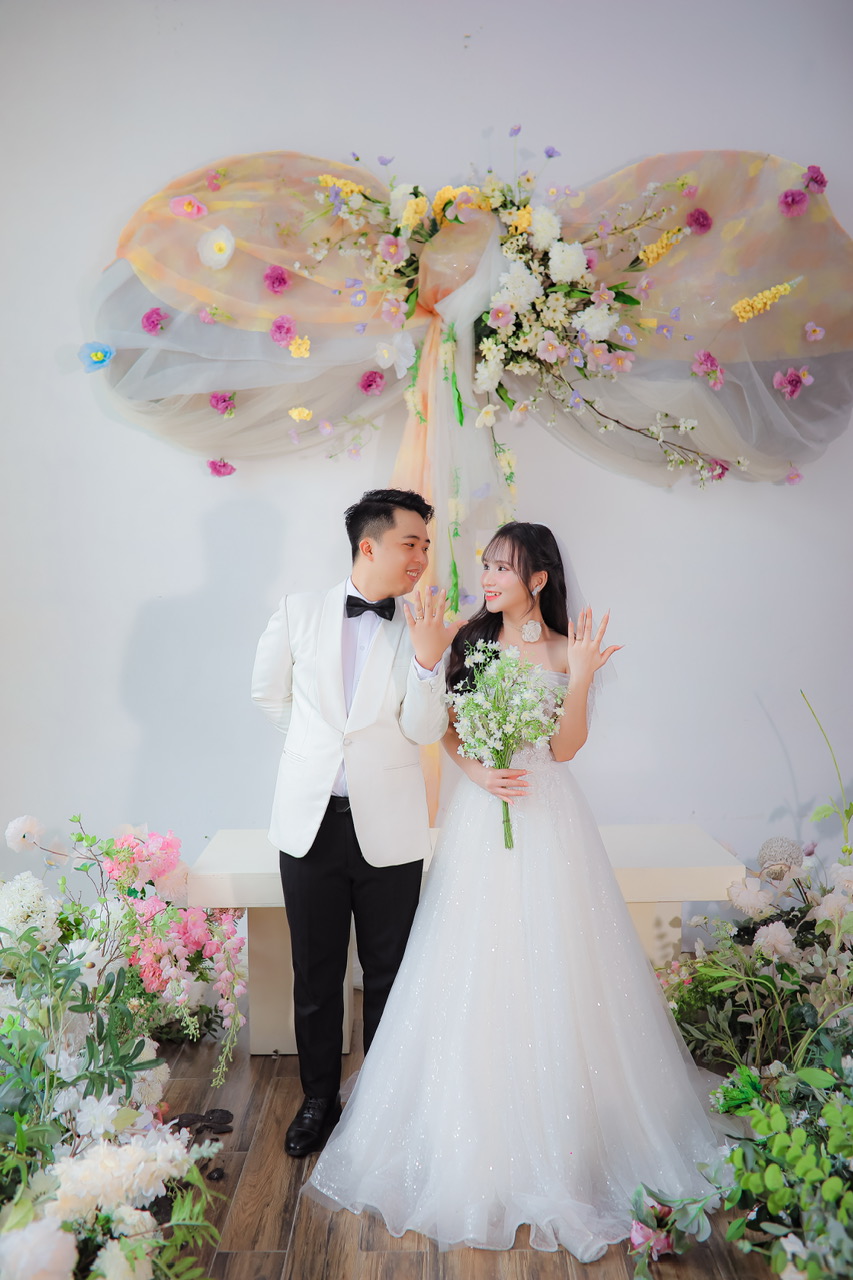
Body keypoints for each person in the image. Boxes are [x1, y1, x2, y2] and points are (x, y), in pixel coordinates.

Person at [306, 521, 726, 1260]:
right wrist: (477, 773)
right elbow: (444, 729)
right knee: (471, 959)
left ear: (538, 579)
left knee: (557, 962)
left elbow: (565, 748)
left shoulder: (565, 650)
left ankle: (566, 1133)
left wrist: (581, 675)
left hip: (547, 818)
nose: (489, 577)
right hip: (480, 817)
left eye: (504, 567)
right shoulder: (467, 640)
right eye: (487, 565)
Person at [251, 489, 459, 1158]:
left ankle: (383, 1105)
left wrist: (426, 660)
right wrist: (317, 750)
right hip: (309, 823)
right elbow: (267, 693)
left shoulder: (424, 624)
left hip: (390, 826)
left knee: (389, 973)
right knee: (315, 975)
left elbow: (424, 730)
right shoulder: (298, 611)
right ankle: (319, 1099)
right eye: (410, 544)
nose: (421, 558)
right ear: (369, 545)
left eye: (425, 545)